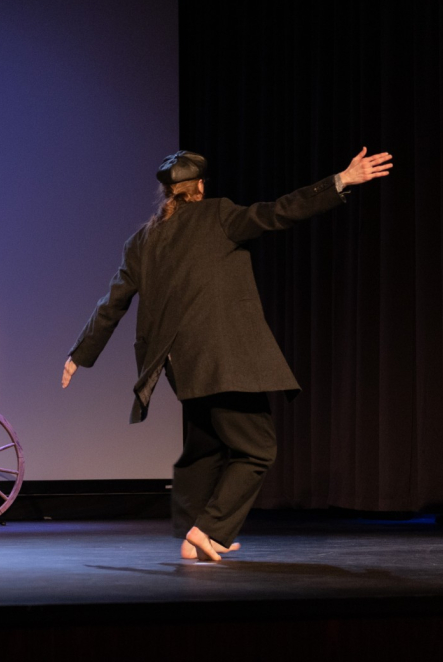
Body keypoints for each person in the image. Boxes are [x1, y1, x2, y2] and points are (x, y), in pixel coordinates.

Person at [62, 148, 392, 561]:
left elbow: (113, 301)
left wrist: (79, 354)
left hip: (181, 366)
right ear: (200, 187)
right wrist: (340, 181)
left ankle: (192, 536)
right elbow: (278, 212)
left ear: (167, 193)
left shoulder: (143, 240)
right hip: (224, 362)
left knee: (206, 448)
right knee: (258, 449)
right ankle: (208, 529)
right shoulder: (217, 214)